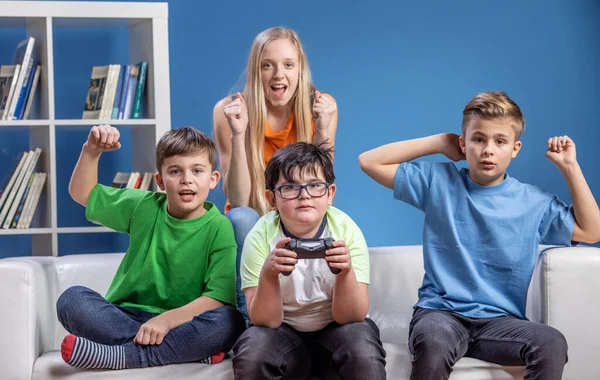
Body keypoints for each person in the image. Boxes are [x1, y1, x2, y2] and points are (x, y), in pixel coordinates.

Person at [358, 91, 600, 380]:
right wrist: (438, 143)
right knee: (433, 340)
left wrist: (570, 167)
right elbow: (369, 162)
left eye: (500, 142)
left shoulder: (534, 202)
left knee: (551, 341)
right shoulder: (439, 182)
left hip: (499, 324)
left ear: (515, 148)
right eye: (478, 139)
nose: (488, 150)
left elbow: (591, 230)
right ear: (463, 143)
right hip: (441, 314)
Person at [56, 125, 245, 370]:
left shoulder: (219, 227)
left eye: (197, 170)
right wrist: (91, 151)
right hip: (125, 315)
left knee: (230, 321)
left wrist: (166, 321)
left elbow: (218, 297)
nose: (186, 179)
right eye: (175, 171)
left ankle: (123, 356)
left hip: (183, 322)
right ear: (160, 181)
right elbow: (82, 193)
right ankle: (184, 352)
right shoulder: (143, 206)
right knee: (71, 301)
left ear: (213, 179)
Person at [213, 26, 338, 321]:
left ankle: (309, 317)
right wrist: (238, 133)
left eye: (288, 65)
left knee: (331, 221)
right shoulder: (229, 111)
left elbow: (322, 189)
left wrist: (322, 130)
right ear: (256, 71)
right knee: (240, 217)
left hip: (296, 215)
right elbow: (239, 199)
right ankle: (249, 324)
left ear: (300, 70)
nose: (278, 75)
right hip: (252, 223)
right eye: (267, 65)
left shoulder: (321, 107)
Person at [232, 142, 386, 379]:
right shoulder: (260, 235)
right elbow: (264, 321)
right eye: (291, 188)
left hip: (336, 329)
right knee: (252, 353)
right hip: (283, 333)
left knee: (363, 349)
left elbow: (352, 317)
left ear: (330, 194)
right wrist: (268, 275)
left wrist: (345, 274)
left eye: (315, 186)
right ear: (272, 200)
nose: (304, 195)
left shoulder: (347, 231)